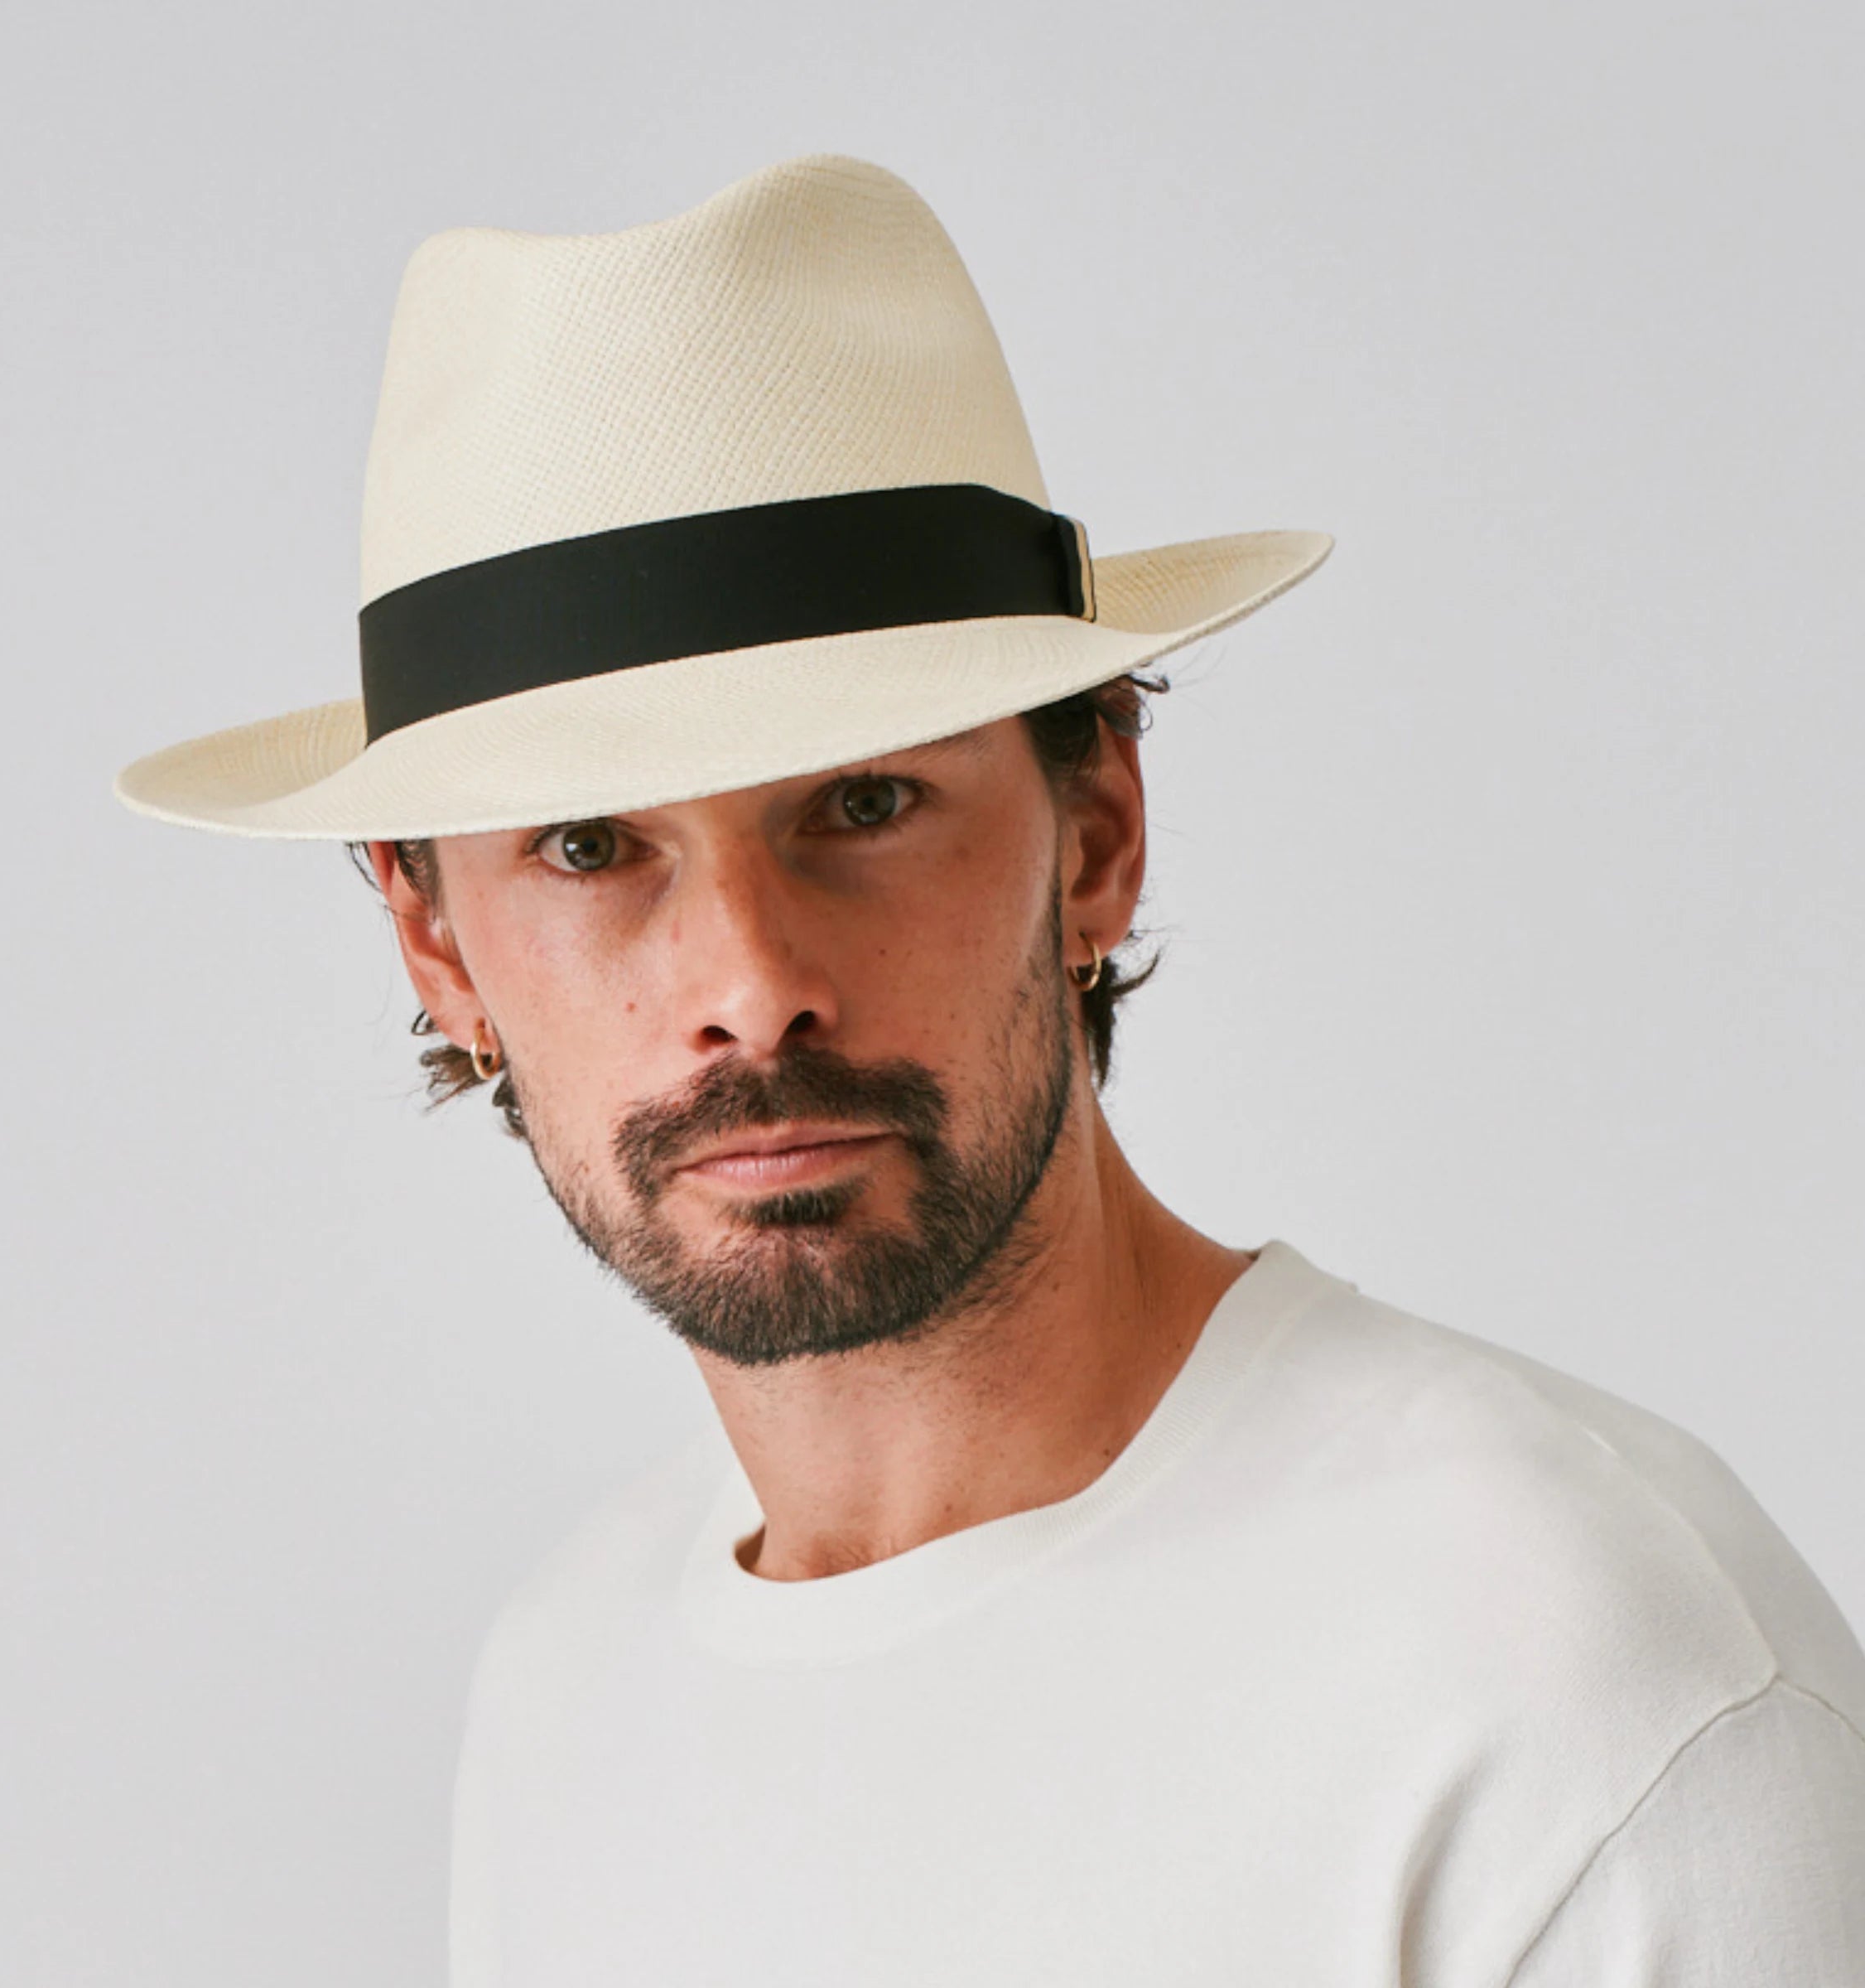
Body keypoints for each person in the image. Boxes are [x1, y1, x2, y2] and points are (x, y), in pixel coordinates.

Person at [116, 154, 1865, 1985]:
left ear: (1094, 835)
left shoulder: (1582, 1688)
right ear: (437, 946)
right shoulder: (567, 1693)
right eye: (588, 847)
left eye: (866, 803)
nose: (752, 990)